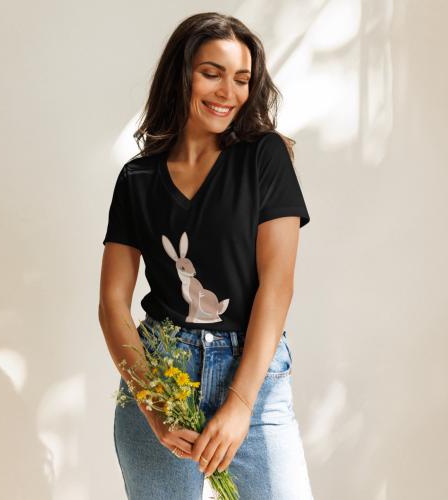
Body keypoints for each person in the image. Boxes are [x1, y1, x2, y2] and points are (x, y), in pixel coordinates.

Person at [99, 11, 314, 500]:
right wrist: (153, 405)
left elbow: (277, 285)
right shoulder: (137, 179)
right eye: (211, 73)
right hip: (161, 373)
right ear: (181, 75)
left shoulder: (264, 156)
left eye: (241, 79)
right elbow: (112, 304)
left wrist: (240, 404)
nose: (228, 92)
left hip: (252, 374)